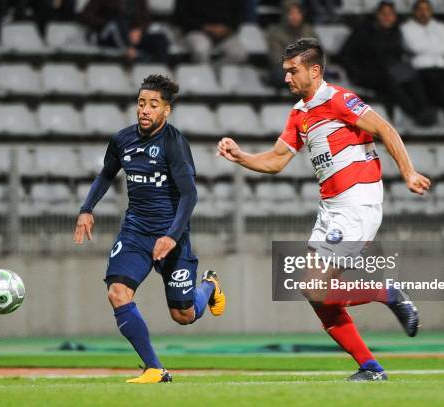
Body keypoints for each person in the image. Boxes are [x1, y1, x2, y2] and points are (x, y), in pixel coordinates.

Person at [217, 38, 426, 381]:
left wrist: (408, 172)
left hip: (356, 202)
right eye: (285, 71)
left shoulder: (340, 100)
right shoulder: (299, 114)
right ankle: (370, 368)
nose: (286, 78)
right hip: (331, 208)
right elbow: (276, 160)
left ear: (314, 71)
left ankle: (386, 293)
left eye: (292, 71)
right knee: (318, 297)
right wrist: (241, 156)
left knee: (313, 287)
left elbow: (385, 129)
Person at [74, 74, 226, 384]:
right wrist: (87, 209)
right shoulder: (122, 140)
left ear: (166, 111)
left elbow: (190, 194)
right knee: (117, 292)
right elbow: (106, 175)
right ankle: (155, 368)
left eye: (153, 105)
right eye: (141, 103)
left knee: (183, 315)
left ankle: (209, 286)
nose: (144, 110)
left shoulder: (174, 144)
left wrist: (171, 236)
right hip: (135, 232)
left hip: (172, 236)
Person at [341, 1, 437, 126]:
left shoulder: (395, 32)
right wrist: (355, 72)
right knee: (390, 81)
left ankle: (423, 109)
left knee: (412, 75)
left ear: (395, 17)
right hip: (367, 73)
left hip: (391, 69)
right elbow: (346, 55)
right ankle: (414, 113)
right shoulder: (362, 32)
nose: (387, 17)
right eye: (384, 14)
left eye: (390, 14)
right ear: (377, 15)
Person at [79, 0, 169, 63]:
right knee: (117, 23)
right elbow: (86, 15)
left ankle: (159, 71)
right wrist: (104, 23)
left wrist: (139, 30)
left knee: (160, 39)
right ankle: (132, 54)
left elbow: (146, 18)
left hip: (133, 35)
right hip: (109, 35)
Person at [174, 0, 247, 64]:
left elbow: (236, 18)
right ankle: (204, 74)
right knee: (201, 49)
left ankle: (214, 72)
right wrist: (206, 28)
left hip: (223, 34)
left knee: (239, 54)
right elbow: (181, 18)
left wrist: (226, 29)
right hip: (196, 31)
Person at [267, 0, 316, 89]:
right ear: (285, 16)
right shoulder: (276, 33)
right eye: (291, 14)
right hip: (286, 71)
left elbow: (319, 53)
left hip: (307, 69)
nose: (294, 17)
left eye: (298, 13)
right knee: (278, 74)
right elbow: (276, 58)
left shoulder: (309, 32)